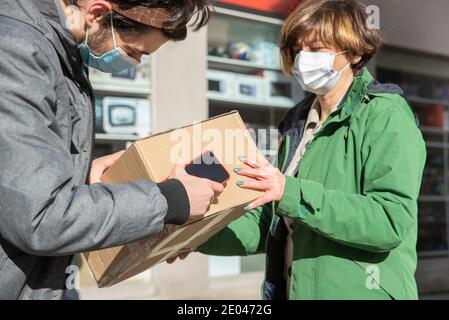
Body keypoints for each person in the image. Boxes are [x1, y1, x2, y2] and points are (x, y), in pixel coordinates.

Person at [185, 0, 427, 300]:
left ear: (354, 52)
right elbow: (266, 225)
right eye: (298, 49)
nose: (303, 59)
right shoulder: (298, 122)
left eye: (316, 49)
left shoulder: (384, 115)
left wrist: (291, 192)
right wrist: (195, 237)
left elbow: (389, 222)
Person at [0, 0, 223, 300]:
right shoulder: (17, 49)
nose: (136, 63)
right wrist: (172, 199)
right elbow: (41, 217)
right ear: (98, 13)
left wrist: (85, 171)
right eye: (134, 52)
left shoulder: (63, 50)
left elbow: (18, 175)